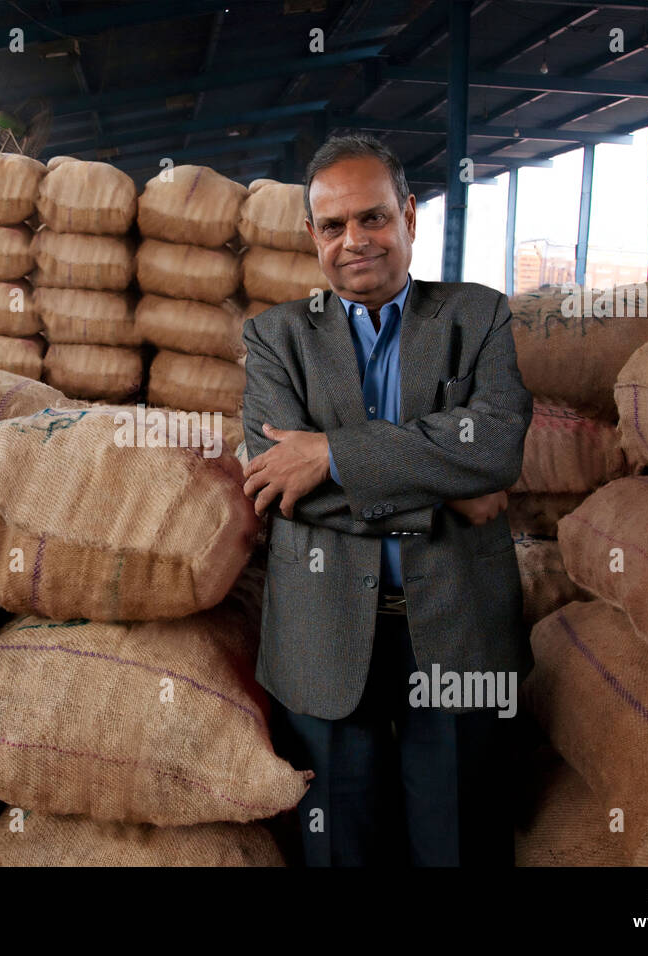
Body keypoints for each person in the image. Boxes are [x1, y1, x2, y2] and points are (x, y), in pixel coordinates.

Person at [240, 133, 533, 867]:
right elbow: (284, 490)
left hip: (459, 625)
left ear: (408, 216)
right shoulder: (276, 337)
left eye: (373, 218)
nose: (354, 241)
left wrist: (332, 453)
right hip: (324, 629)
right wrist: (443, 494)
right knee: (338, 845)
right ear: (312, 235)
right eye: (333, 226)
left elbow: (495, 445)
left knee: (458, 839)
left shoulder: (478, 316)